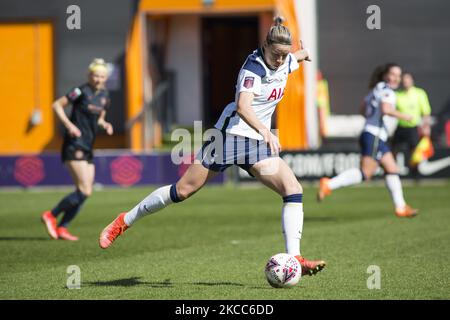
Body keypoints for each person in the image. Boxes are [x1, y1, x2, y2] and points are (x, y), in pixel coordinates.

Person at [98, 18, 326, 276]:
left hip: (256, 144)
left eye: (285, 55)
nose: (280, 60)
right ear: (265, 46)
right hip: (229, 136)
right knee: (182, 191)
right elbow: (243, 106)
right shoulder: (253, 68)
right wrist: (266, 131)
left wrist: (303, 53)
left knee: (293, 188)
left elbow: (292, 61)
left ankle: (295, 258)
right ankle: (123, 221)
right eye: (276, 54)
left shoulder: (285, 60)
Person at [317, 63, 418, 218]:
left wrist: (374, 118)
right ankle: (329, 184)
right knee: (365, 173)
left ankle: (401, 207)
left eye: (398, 75)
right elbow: (386, 109)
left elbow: (363, 110)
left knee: (392, 169)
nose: (396, 78)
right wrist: (406, 116)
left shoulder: (376, 89)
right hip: (374, 135)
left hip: (374, 135)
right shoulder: (387, 92)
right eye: (393, 74)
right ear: (386, 75)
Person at [41, 58, 113, 241]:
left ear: (106, 78)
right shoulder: (80, 91)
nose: (98, 79)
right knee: (84, 190)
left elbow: (99, 118)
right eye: (95, 75)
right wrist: (69, 125)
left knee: (85, 191)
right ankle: (51, 214)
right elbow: (56, 105)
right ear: (89, 75)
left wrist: (104, 124)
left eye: (102, 76)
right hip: (74, 145)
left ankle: (63, 227)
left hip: (88, 146)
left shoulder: (104, 95)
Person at [392, 72, 432, 168]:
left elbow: (426, 112)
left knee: (415, 152)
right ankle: (391, 170)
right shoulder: (397, 95)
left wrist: (426, 126)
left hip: (413, 128)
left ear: (412, 80)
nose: (405, 81)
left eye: (407, 79)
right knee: (393, 149)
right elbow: (391, 111)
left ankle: (415, 174)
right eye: (404, 79)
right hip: (401, 127)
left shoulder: (419, 93)